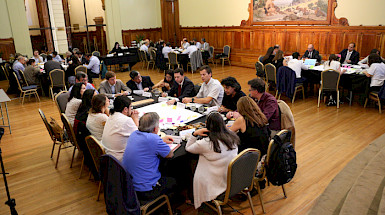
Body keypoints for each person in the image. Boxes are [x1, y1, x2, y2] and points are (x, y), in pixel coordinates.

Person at [185, 112, 239, 209]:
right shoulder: (232, 136)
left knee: (192, 164)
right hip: (229, 176)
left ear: (207, 125)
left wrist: (194, 134)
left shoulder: (206, 143)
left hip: (215, 179)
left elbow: (188, 148)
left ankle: (191, 197)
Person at [122, 112, 175, 202]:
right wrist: (159, 141)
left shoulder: (134, 134)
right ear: (155, 128)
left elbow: (147, 143)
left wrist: (160, 140)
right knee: (175, 180)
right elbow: (170, 155)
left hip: (129, 185)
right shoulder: (154, 139)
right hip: (146, 189)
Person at [102, 96, 139, 161]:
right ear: (125, 109)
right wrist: (135, 119)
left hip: (109, 155)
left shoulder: (112, 115)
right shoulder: (126, 120)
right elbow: (139, 136)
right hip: (119, 160)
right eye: (131, 107)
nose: (132, 109)